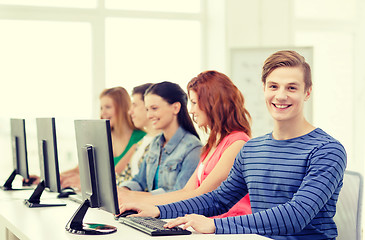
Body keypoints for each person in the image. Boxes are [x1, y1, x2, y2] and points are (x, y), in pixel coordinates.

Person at [120, 50, 347, 240]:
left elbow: (296, 216)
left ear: (307, 92)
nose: (281, 96)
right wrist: (158, 211)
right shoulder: (253, 150)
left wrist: (215, 226)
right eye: (274, 86)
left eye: (292, 88)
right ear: (264, 89)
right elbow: (218, 199)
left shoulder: (327, 150)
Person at [118, 71, 252, 218]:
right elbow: (187, 191)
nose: (191, 110)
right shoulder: (213, 144)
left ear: (212, 102)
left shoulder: (237, 143)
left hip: (226, 228)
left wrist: (141, 202)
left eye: (194, 103)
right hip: (205, 225)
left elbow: (201, 195)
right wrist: (134, 200)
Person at [118, 81, 202, 195]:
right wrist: (122, 191)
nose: (149, 115)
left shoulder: (193, 148)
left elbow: (180, 194)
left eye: (154, 108)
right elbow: (139, 181)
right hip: (149, 208)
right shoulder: (155, 143)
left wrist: (138, 197)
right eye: (147, 109)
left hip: (170, 212)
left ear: (176, 108)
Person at [60, 86, 145, 189]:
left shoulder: (141, 139)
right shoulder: (101, 138)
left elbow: (114, 175)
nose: (103, 113)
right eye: (101, 108)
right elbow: (80, 169)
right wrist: (48, 179)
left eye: (108, 107)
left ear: (122, 108)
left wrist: (81, 181)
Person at [116, 83, 160, 186]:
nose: (130, 112)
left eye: (134, 105)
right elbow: (121, 175)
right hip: (128, 194)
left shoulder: (161, 142)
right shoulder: (142, 141)